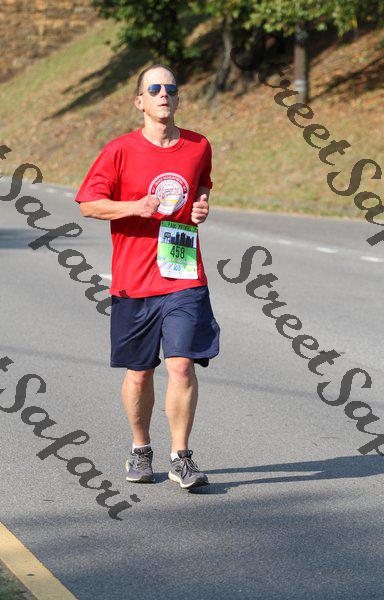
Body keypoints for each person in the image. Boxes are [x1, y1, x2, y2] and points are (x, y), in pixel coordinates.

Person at [74, 63, 220, 490]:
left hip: (183, 273)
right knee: (139, 372)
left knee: (182, 366)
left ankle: (181, 457)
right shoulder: (119, 150)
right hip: (134, 278)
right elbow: (88, 204)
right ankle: (141, 448)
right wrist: (134, 207)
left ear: (178, 98)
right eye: (154, 89)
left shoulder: (198, 145)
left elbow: (202, 184)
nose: (163, 94)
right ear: (139, 101)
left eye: (170, 88)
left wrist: (201, 206)